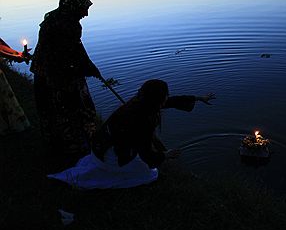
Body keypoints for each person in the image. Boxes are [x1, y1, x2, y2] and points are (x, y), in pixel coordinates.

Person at [48, 79, 215, 189]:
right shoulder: (143, 120)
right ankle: (110, 172)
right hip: (112, 156)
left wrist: (198, 98)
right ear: (158, 98)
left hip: (99, 149)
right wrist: (166, 155)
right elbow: (147, 154)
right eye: (165, 95)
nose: (167, 98)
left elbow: (170, 102)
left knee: (144, 163)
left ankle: (107, 166)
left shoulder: (138, 104)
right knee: (150, 174)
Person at [30, 0, 101, 162]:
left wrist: (90, 66)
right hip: (59, 76)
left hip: (47, 72)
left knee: (52, 110)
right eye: (84, 9)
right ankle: (76, 150)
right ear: (73, 7)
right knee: (72, 109)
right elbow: (68, 55)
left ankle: (59, 147)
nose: (85, 14)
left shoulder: (54, 18)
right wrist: (86, 68)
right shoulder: (66, 25)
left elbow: (77, 49)